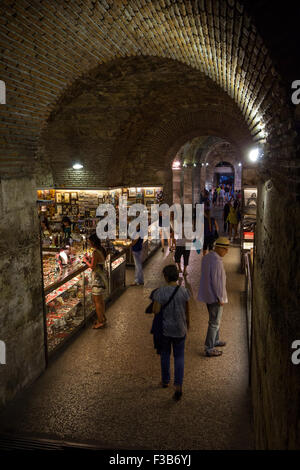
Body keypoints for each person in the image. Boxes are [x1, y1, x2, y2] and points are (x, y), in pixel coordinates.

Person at [151, 264, 190, 401]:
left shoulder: (160, 292)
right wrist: (188, 324)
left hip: (165, 329)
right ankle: (178, 386)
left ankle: (165, 380)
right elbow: (187, 310)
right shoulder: (184, 291)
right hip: (180, 328)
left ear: (166, 277)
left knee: (165, 354)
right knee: (179, 357)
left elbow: (155, 311)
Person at [197, 237, 230, 357]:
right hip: (215, 296)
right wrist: (221, 297)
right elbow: (217, 282)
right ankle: (209, 347)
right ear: (219, 248)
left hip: (208, 294)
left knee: (215, 319)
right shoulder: (216, 261)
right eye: (225, 249)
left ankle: (215, 340)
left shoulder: (207, 257)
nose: (227, 251)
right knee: (214, 322)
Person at [83, 233, 108, 329]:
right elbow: (98, 261)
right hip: (102, 277)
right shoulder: (101, 250)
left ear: (93, 242)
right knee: (101, 300)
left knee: (97, 301)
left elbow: (92, 266)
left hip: (97, 279)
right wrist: (91, 259)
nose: (89, 244)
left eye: (89, 242)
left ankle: (100, 321)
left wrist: (86, 261)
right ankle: (103, 317)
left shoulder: (95, 252)